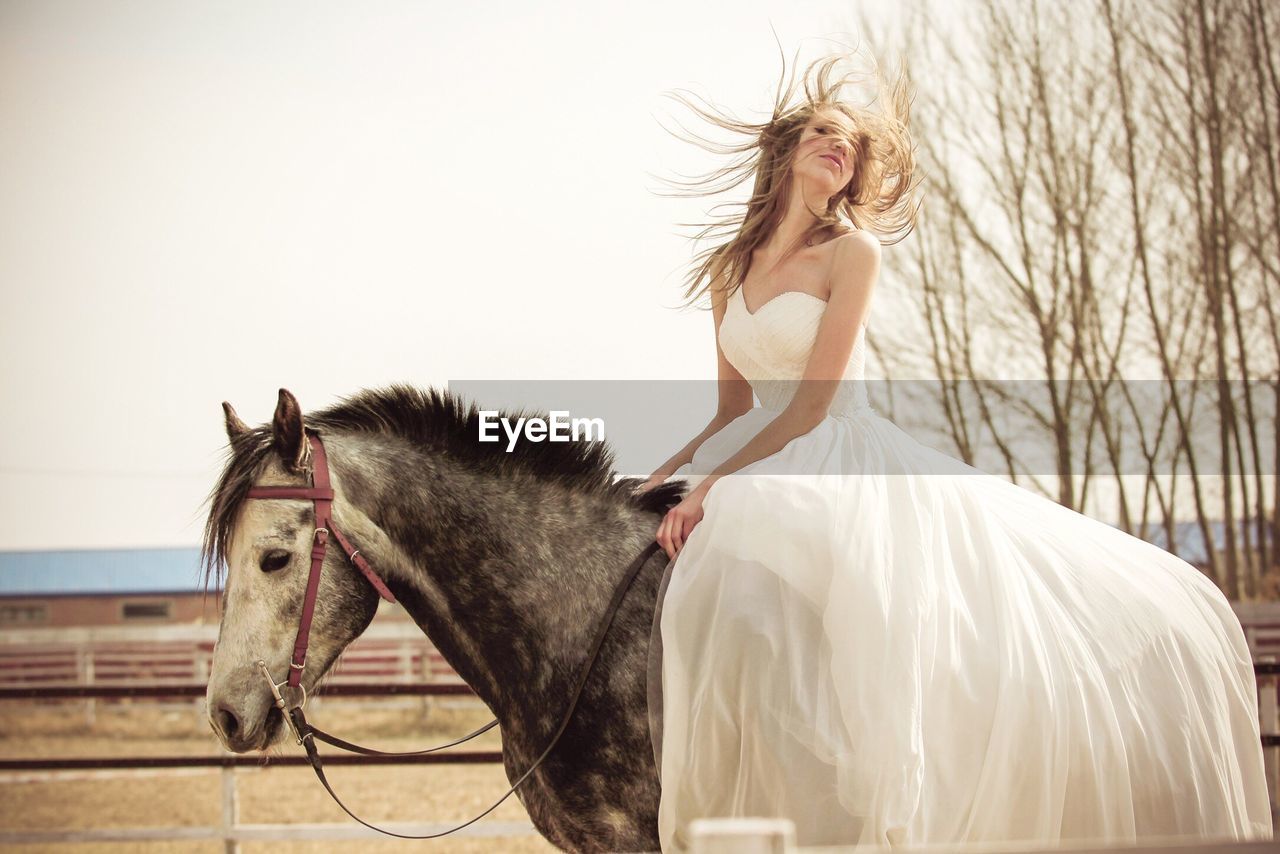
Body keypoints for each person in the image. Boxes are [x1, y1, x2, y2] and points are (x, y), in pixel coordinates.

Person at [636, 48, 1273, 852]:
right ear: (789, 150)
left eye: (855, 147)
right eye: (829, 133)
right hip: (762, 444)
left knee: (864, 619)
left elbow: (811, 404)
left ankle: (880, 792)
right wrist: (664, 474)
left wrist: (712, 486)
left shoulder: (851, 253)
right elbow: (732, 406)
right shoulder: (731, 269)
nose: (844, 149)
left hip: (836, 451)